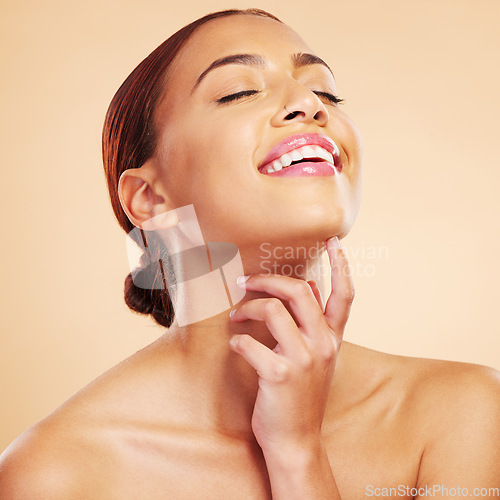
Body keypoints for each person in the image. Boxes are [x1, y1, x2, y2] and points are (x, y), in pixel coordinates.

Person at [0, 8, 498, 499]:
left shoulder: (464, 414)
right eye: (238, 91)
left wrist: (298, 453)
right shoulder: (56, 475)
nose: (308, 103)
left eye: (324, 90)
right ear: (150, 199)